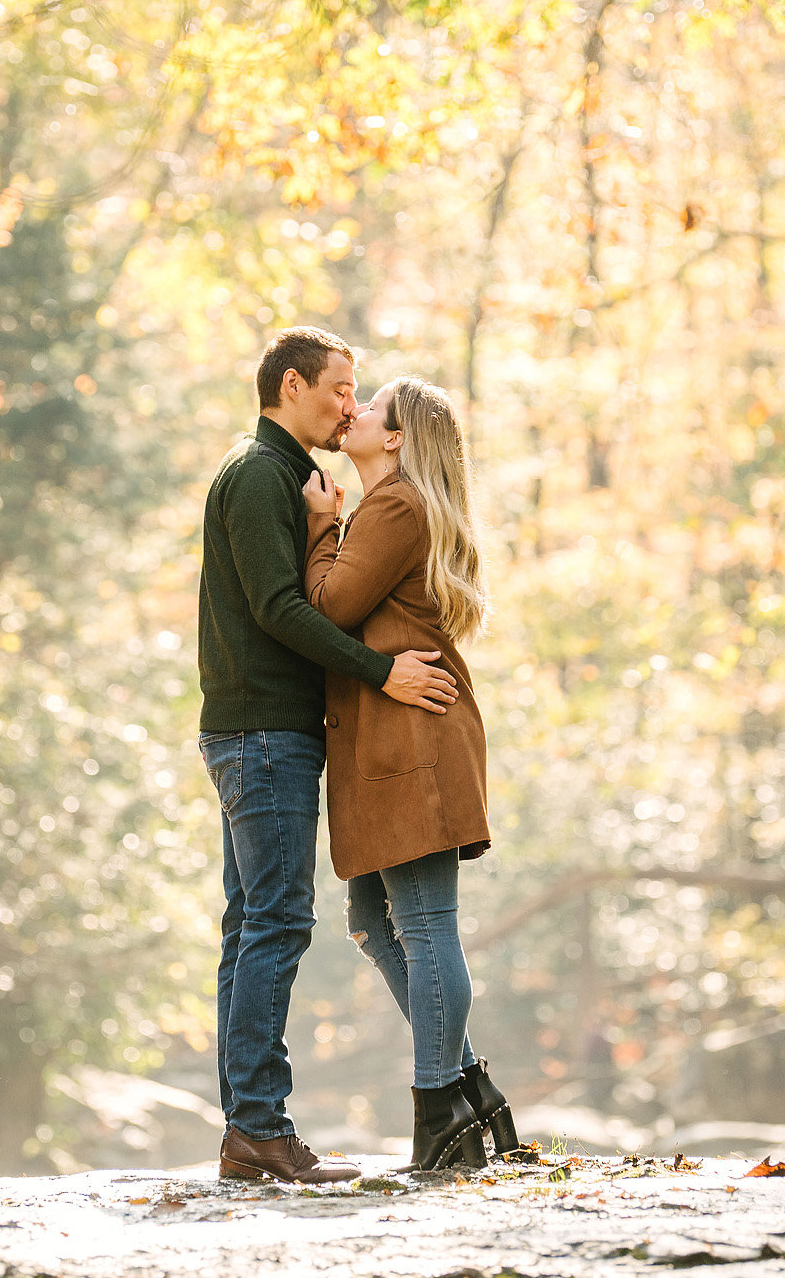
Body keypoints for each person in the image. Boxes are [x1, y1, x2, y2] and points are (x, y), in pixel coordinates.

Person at [197, 327, 461, 1185]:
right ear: (292, 383)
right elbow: (284, 608)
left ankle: (250, 1127)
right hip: (263, 733)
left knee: (253, 923)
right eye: (340, 388)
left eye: (357, 393)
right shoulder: (259, 475)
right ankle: (262, 1127)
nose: (350, 403)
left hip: (265, 731)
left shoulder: (285, 476)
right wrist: (382, 672)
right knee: (276, 921)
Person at [301, 375, 521, 1173]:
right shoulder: (391, 506)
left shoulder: (393, 506)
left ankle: (442, 1113)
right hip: (388, 744)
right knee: (372, 920)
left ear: (395, 438)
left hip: (413, 744)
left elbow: (326, 609)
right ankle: (469, 1088)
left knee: (425, 925)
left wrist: (321, 527)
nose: (351, 412)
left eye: (368, 408)